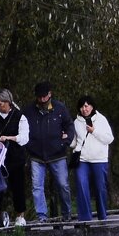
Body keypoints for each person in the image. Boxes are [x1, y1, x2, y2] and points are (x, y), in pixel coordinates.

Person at [23, 81, 75, 222]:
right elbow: (22, 130)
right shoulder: (28, 111)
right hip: (36, 156)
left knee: (63, 185)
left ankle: (67, 213)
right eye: (39, 97)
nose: (42, 99)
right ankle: (42, 216)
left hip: (57, 154)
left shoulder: (60, 108)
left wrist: (66, 142)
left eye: (44, 96)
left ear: (50, 94)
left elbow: (70, 126)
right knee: (37, 187)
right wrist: (28, 145)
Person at [0, 88, 30, 226]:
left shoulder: (20, 117)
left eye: (0, 104)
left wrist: (9, 138)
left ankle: (20, 216)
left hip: (16, 157)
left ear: (8, 102)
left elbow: (24, 138)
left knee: (18, 187)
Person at [72, 96, 114, 221]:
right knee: (81, 185)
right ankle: (85, 219)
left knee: (100, 188)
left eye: (86, 106)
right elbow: (75, 142)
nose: (84, 109)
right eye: (81, 107)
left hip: (99, 159)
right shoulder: (76, 122)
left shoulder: (101, 119)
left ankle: (102, 216)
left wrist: (94, 131)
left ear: (92, 106)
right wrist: (67, 139)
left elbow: (109, 139)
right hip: (82, 159)